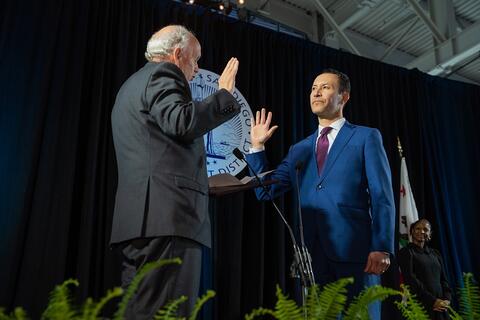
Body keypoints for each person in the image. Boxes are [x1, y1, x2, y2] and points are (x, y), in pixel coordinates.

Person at [109, 25, 241, 319]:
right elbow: (181, 121)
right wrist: (223, 94)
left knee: (141, 311)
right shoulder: (163, 74)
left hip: (141, 222)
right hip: (168, 220)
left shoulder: (130, 85)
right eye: (195, 60)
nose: (196, 69)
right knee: (169, 313)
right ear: (178, 53)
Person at [246, 69, 395, 319]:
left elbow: (382, 195)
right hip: (312, 258)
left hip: (356, 254)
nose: (316, 91)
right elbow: (265, 191)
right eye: (314, 87)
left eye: (325, 87)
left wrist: (381, 246)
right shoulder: (299, 149)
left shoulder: (366, 136)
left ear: (344, 97)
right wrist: (257, 146)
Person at [398, 218, 451, 319]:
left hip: (441, 307)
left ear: (430, 234)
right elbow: (410, 279)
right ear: (411, 232)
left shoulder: (436, 254)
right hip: (421, 306)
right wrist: (432, 301)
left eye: (425, 229)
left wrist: (446, 300)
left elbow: (444, 279)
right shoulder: (406, 252)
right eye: (417, 228)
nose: (422, 231)